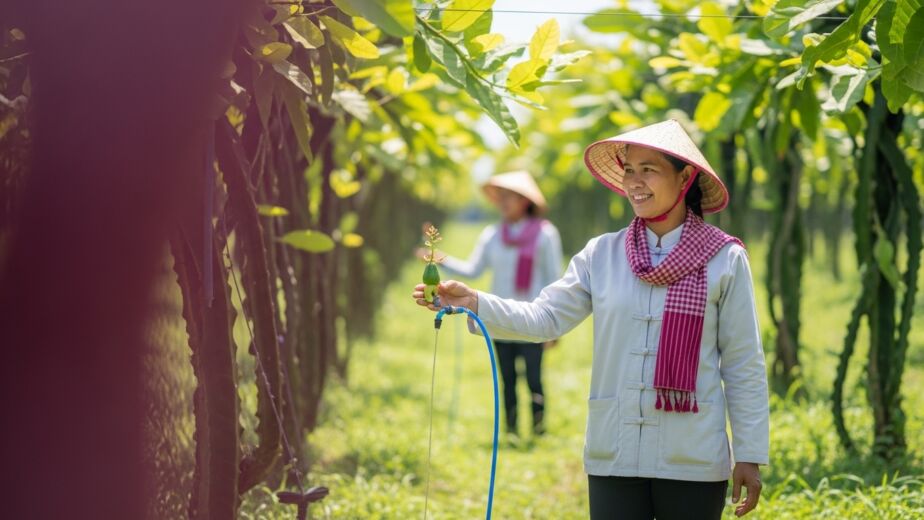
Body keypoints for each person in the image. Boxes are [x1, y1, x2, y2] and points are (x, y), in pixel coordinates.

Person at [413, 120, 769, 519]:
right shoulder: (601, 254)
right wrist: (475, 301)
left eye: (648, 169)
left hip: (693, 454)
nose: (634, 182)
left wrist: (750, 453)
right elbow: (545, 317)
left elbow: (742, 362)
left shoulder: (725, 260)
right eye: (629, 170)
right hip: (613, 450)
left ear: (685, 177)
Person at [420, 171, 563, 436]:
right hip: (499, 317)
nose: (504, 202)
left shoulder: (546, 235)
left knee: (534, 377)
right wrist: (439, 258)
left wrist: (555, 325)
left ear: (525, 201)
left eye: (511, 197)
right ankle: (510, 431)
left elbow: (554, 278)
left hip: (534, 319)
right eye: (501, 196)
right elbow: (473, 269)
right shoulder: (493, 235)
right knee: (507, 377)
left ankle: (538, 429)